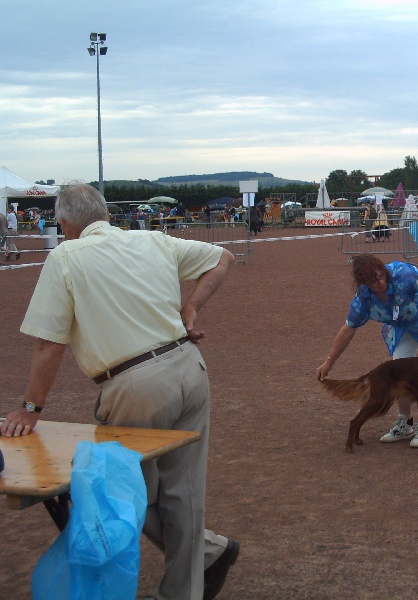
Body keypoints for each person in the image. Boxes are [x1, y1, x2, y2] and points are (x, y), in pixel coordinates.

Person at [0, 184, 239, 600]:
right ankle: (193, 575)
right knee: (182, 491)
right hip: (189, 366)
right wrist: (190, 308)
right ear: (106, 213)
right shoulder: (153, 240)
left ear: (66, 223)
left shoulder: (65, 257)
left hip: (135, 382)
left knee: (118, 487)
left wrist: (30, 408)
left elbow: (48, 344)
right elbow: (223, 258)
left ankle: (208, 552)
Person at [316, 254, 418, 448]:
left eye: (378, 276)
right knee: (399, 368)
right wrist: (328, 362)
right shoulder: (364, 297)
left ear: (381, 267)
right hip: (403, 322)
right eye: (371, 282)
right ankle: (405, 423)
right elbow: (348, 330)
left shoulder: (404, 275)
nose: (378, 283)